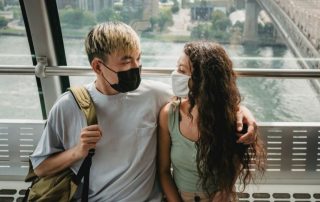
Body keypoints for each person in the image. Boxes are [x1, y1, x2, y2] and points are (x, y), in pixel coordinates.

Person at [30, 22, 259, 201]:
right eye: (126, 61)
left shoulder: (154, 95)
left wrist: (241, 110)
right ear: (98, 66)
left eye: (138, 58)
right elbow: (41, 167)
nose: (136, 67)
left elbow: (204, 95)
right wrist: (77, 151)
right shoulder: (68, 106)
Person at [157, 41, 266, 202]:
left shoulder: (231, 119)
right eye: (177, 68)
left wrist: (224, 192)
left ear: (203, 81)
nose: (175, 74)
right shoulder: (169, 114)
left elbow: (232, 167)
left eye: (182, 70)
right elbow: (163, 171)